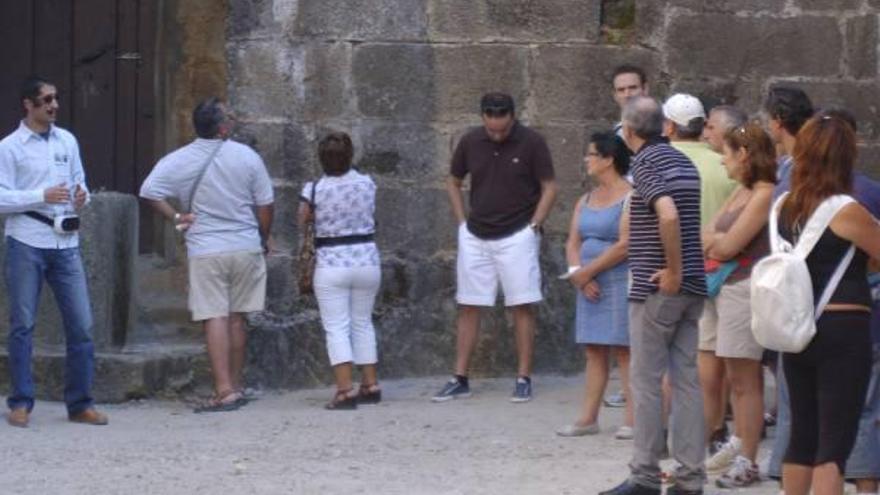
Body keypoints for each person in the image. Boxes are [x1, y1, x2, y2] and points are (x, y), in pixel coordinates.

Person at [600, 96, 707, 495]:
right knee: (688, 382)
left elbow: (668, 213)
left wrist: (673, 271)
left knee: (644, 381)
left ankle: (645, 476)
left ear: (628, 132)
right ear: (664, 126)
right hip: (694, 287)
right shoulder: (684, 161)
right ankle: (690, 478)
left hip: (658, 286)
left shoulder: (645, 163)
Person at [140, 97, 274, 413]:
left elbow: (149, 191)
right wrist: (262, 238)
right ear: (223, 128)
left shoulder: (180, 159)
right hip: (244, 245)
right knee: (238, 318)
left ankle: (223, 389)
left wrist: (175, 217)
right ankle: (237, 386)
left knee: (214, 315)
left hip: (206, 247)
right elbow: (265, 204)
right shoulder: (247, 157)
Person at [775, 114, 880, 495]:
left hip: (795, 329)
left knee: (802, 433)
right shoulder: (846, 210)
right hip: (843, 327)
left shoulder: (782, 206)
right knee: (834, 442)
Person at [433, 93, 557, 403]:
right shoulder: (471, 141)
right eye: (491, 128)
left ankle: (523, 376)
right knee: (469, 304)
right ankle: (460, 376)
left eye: (501, 128)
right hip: (476, 233)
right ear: (483, 119)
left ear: (512, 118)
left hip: (517, 233)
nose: (496, 133)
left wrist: (534, 226)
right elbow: (453, 180)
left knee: (521, 304)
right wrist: (462, 221)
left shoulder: (532, 142)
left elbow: (550, 186)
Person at [0, 76, 107, 428]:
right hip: (26, 241)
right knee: (23, 326)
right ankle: (20, 402)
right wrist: (40, 196)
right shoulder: (10, 147)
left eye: (56, 98)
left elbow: (81, 183)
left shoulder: (67, 140)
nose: (54, 105)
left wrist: (82, 197)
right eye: (46, 100)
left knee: (82, 325)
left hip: (65, 243)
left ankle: (79, 403)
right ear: (28, 105)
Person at [700, 123, 776, 487]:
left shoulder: (764, 193)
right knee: (735, 377)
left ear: (743, 155)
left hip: (743, 289)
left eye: (727, 155)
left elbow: (726, 246)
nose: (723, 163)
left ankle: (748, 457)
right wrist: (719, 239)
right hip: (725, 287)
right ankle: (742, 443)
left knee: (745, 381)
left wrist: (718, 240)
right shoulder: (744, 191)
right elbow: (712, 235)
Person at [663, 93, 737, 458]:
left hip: (670, 273)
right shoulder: (726, 164)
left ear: (670, 126)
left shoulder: (659, 162)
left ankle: (671, 432)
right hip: (719, 271)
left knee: (667, 358)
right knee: (715, 356)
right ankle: (715, 425)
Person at [296, 132, 382, 410]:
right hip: (366, 258)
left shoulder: (313, 189)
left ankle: (345, 390)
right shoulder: (367, 183)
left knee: (336, 327)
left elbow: (302, 220)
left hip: (331, 261)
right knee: (363, 322)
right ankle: (370, 384)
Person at [556, 131, 633, 439]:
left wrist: (587, 273)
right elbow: (573, 241)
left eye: (591, 154)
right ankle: (588, 417)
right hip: (588, 282)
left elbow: (625, 244)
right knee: (594, 349)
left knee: (625, 350)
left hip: (617, 278)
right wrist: (578, 273)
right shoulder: (584, 199)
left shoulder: (631, 196)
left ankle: (633, 419)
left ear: (608, 159)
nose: (586, 160)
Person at [764, 86, 816, 483]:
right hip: (798, 290)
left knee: (797, 396)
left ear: (778, 122)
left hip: (797, 291)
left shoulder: (798, 171)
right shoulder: (796, 168)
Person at [605, 64, 649, 408]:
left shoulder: (659, 128)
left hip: (652, 225)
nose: (627, 94)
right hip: (625, 224)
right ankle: (631, 385)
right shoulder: (615, 134)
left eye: (632, 88)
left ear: (644, 88)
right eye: (621, 90)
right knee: (627, 311)